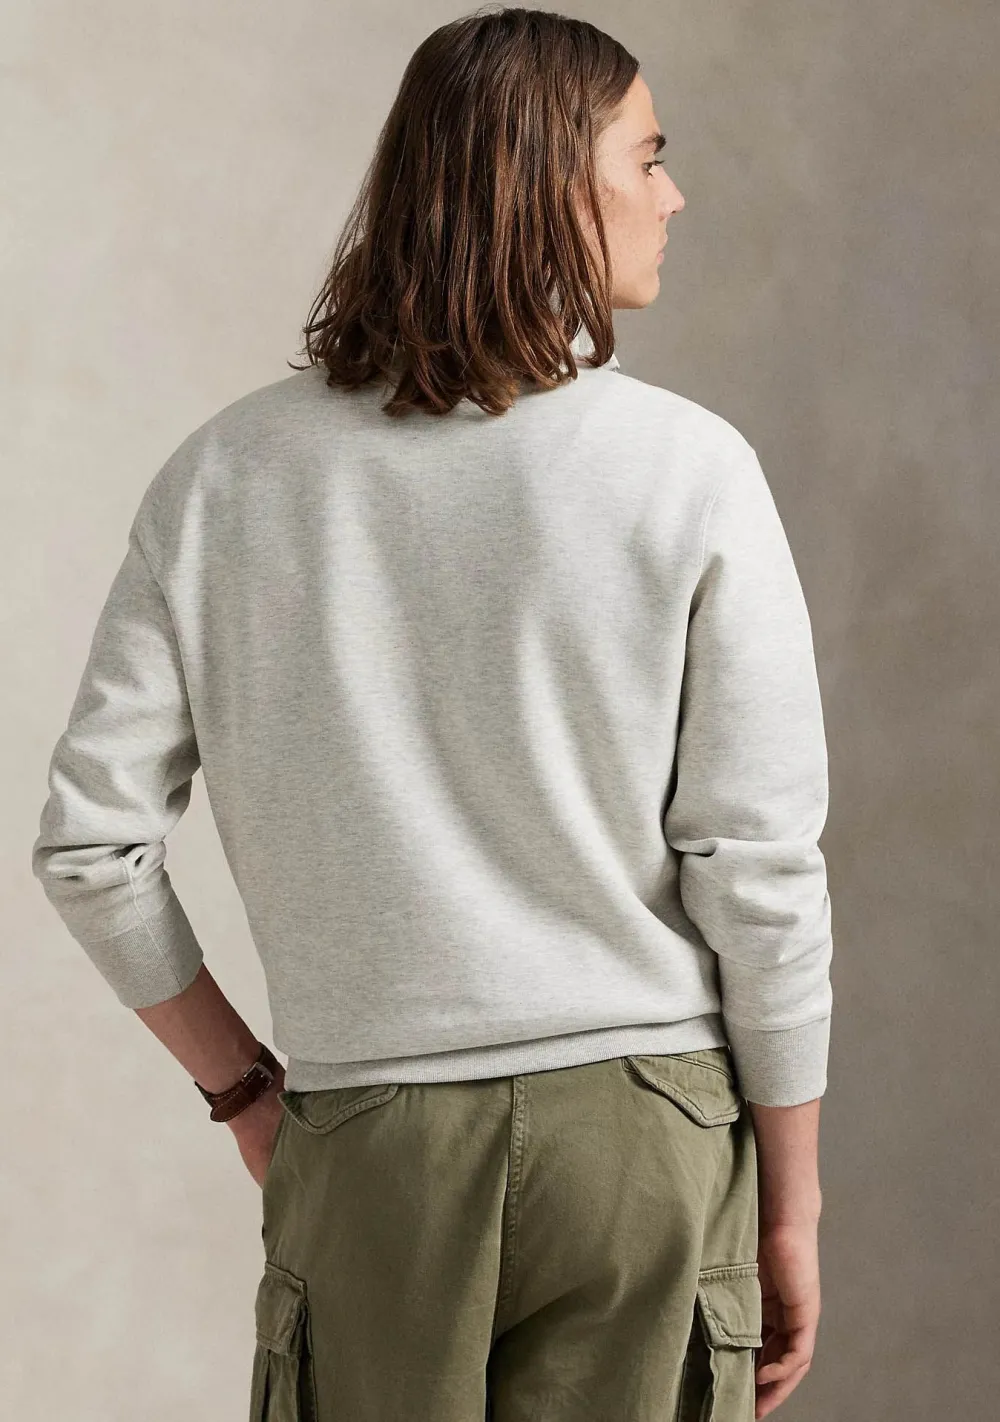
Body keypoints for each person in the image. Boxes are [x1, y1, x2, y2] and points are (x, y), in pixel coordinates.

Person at [31, 9, 830, 1420]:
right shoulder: (693, 473)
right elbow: (757, 869)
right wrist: (792, 1200)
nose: (675, 195)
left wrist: (244, 1093)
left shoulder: (226, 478)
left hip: (371, 1147)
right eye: (648, 158)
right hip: (646, 1141)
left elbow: (92, 847)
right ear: (551, 186)